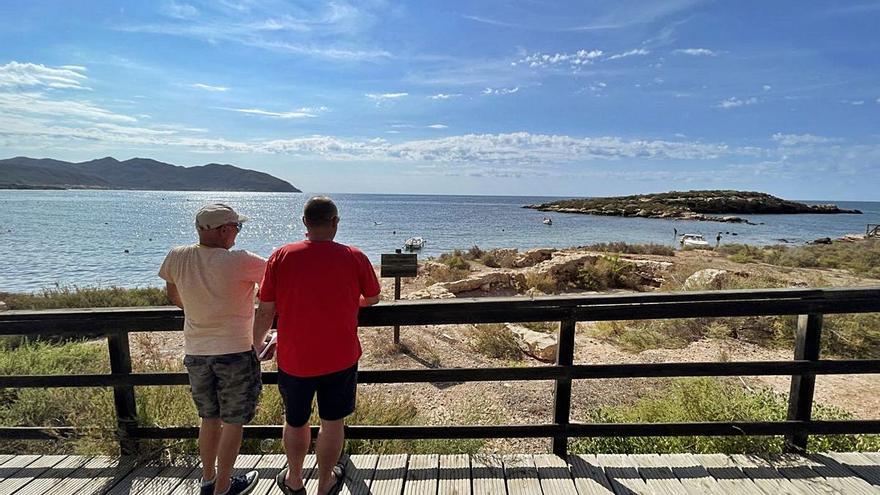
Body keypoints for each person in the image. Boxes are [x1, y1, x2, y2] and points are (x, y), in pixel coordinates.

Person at [253, 196, 381, 495]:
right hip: (340, 356)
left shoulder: (282, 256)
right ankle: (326, 483)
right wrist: (353, 302)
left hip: (295, 358)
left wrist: (255, 345)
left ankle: (294, 480)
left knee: (295, 422)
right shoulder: (354, 256)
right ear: (335, 222)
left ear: (305, 223)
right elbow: (373, 298)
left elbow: (266, 308)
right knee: (332, 423)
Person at [159, 203, 267, 495]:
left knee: (208, 418)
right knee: (233, 422)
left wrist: (199, 310)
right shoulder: (240, 261)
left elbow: (172, 293)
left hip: (196, 351)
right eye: (236, 227)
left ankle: (208, 481)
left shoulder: (177, 256)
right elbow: (277, 280)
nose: (237, 234)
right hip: (235, 351)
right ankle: (223, 487)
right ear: (223, 230)